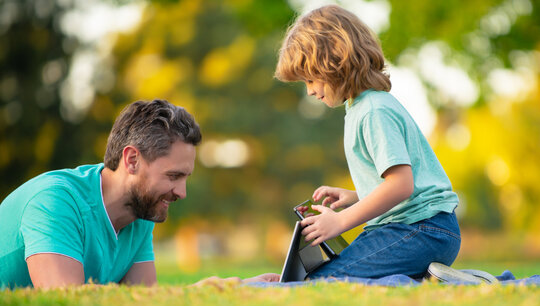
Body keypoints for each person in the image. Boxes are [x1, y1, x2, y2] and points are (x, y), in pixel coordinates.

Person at [0, 99, 279, 289]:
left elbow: (143, 304)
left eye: (185, 178)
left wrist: (229, 287)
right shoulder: (55, 201)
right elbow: (67, 301)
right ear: (132, 160)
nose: (181, 193)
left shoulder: (140, 212)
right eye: (173, 176)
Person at [274, 5, 461, 279]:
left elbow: (402, 185)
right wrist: (355, 196)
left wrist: (340, 221)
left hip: (421, 229)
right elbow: (399, 181)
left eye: (311, 79)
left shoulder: (374, 111)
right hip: (415, 228)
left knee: (325, 281)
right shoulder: (362, 107)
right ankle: (438, 281)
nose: (310, 91)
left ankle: (460, 284)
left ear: (336, 63)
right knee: (320, 275)